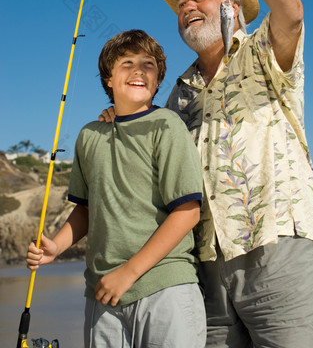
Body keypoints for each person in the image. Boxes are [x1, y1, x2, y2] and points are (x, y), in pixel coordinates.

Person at [100, 0, 313, 348]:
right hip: (204, 268)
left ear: (232, 4)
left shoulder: (264, 52)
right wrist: (116, 113)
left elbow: (292, 11)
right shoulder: (176, 92)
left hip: (279, 248)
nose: (187, 6)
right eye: (181, 3)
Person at [26, 29, 206, 348]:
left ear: (158, 79)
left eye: (148, 64)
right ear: (108, 78)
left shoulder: (168, 126)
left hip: (164, 287)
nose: (138, 70)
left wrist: (129, 272)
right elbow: (86, 210)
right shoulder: (89, 136)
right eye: (126, 63)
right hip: (103, 293)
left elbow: (187, 212)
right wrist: (56, 246)